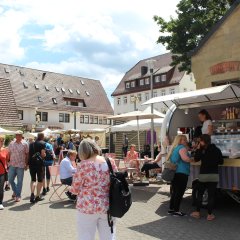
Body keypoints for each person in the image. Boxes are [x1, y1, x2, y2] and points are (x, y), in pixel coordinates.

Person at [70, 139, 117, 240]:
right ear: (96, 147)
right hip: (108, 206)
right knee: (108, 237)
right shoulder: (110, 162)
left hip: (86, 207)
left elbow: (75, 189)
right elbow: (116, 182)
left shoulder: (83, 165)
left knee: (85, 236)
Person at [191, 134, 223, 221]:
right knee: (211, 196)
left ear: (202, 141)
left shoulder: (202, 150)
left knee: (200, 194)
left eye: (200, 141)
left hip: (203, 175)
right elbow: (221, 161)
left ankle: (197, 212)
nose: (199, 143)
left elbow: (196, 159)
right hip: (214, 175)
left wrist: (198, 149)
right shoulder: (217, 149)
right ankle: (209, 215)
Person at [167, 135, 192, 216]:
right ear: (180, 141)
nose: (186, 141)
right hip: (182, 172)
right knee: (179, 192)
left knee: (175, 192)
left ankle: (171, 209)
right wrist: (192, 159)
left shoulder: (175, 148)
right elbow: (185, 159)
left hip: (175, 172)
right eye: (184, 140)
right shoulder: (182, 148)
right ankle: (176, 210)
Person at [8, 130, 29, 202]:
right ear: (15, 135)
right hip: (12, 164)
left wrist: (26, 164)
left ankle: (18, 195)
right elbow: (9, 153)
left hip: (21, 165)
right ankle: (16, 191)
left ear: (21, 135)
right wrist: (8, 162)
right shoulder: (11, 143)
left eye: (19, 135)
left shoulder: (25, 144)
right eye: (16, 135)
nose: (18, 136)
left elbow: (27, 154)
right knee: (10, 179)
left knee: (20, 181)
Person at [28, 133, 46, 203]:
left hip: (31, 163)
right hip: (39, 164)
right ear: (42, 137)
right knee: (40, 180)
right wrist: (45, 155)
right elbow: (43, 154)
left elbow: (29, 154)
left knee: (33, 180)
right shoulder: (42, 143)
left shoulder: (31, 144)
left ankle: (32, 193)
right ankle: (37, 196)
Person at [0, 135, 9, 210]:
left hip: (2, 172)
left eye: (2, 141)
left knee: (1, 188)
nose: (1, 142)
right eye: (0, 141)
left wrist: (7, 169)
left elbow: (7, 161)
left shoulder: (5, 150)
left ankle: (0, 203)